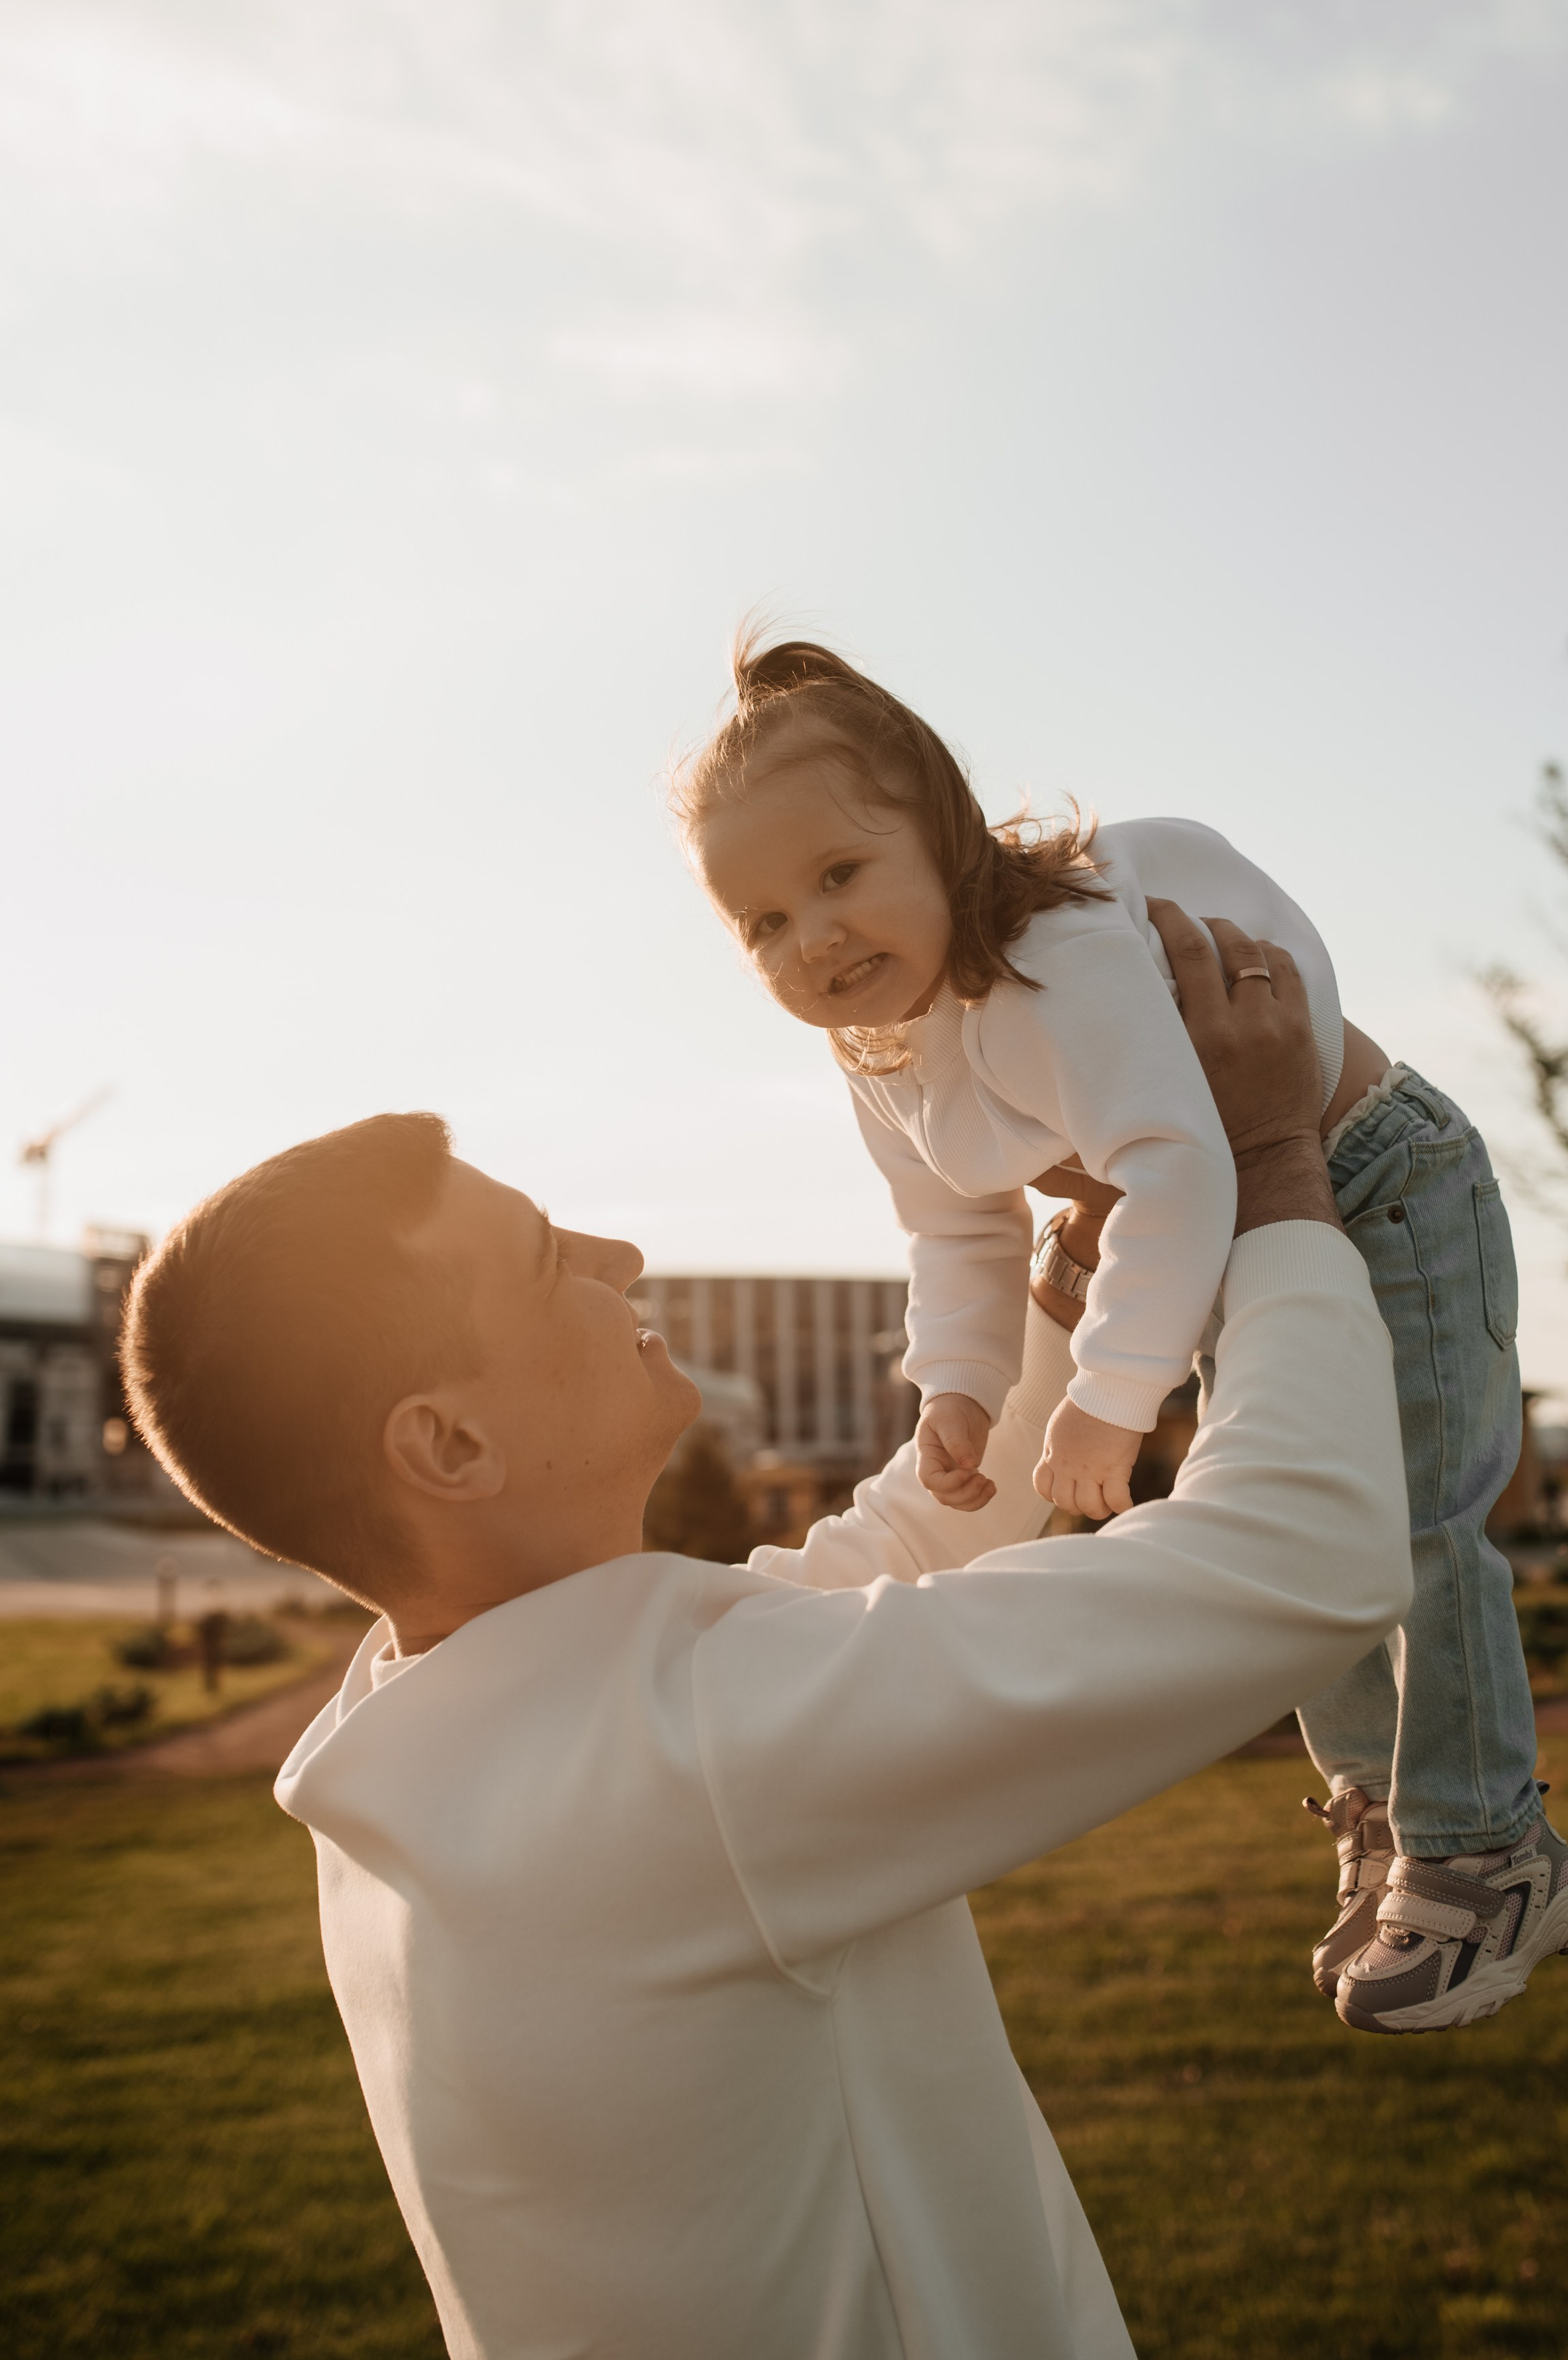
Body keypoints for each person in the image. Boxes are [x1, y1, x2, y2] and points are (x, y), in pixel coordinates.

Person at [122, 913, 1409, 2360]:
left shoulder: (429, 1745)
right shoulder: (690, 1752)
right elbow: (1301, 1553)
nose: (620, 1252)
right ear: (450, 1444)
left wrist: (1067, 1285)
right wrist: (1271, 1165)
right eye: (547, 1258)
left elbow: (892, 1556)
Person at [676, 639, 1568, 2031]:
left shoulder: (1049, 963)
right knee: (1307, 1514)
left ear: (944, 834)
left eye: (840, 875)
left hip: (1377, 1176)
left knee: (1417, 1520)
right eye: (759, 920)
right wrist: (957, 1387)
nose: (809, 937)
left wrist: (1112, 1395)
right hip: (1243, 1221)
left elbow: (1176, 1162)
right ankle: (1383, 1817)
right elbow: (957, 1232)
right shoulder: (882, 1046)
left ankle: (1493, 1851)